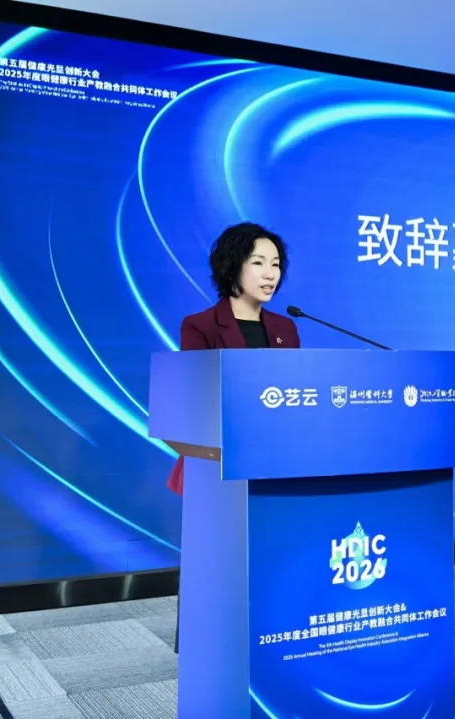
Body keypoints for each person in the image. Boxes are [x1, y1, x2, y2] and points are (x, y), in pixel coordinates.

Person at [168, 222, 301, 653]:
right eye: (258, 262)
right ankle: (203, 645)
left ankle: (266, 638)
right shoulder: (200, 326)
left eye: (275, 264)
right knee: (214, 560)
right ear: (232, 267)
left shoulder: (286, 328)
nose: (270, 273)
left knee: (270, 557)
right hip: (217, 461)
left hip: (274, 459)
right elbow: (194, 396)